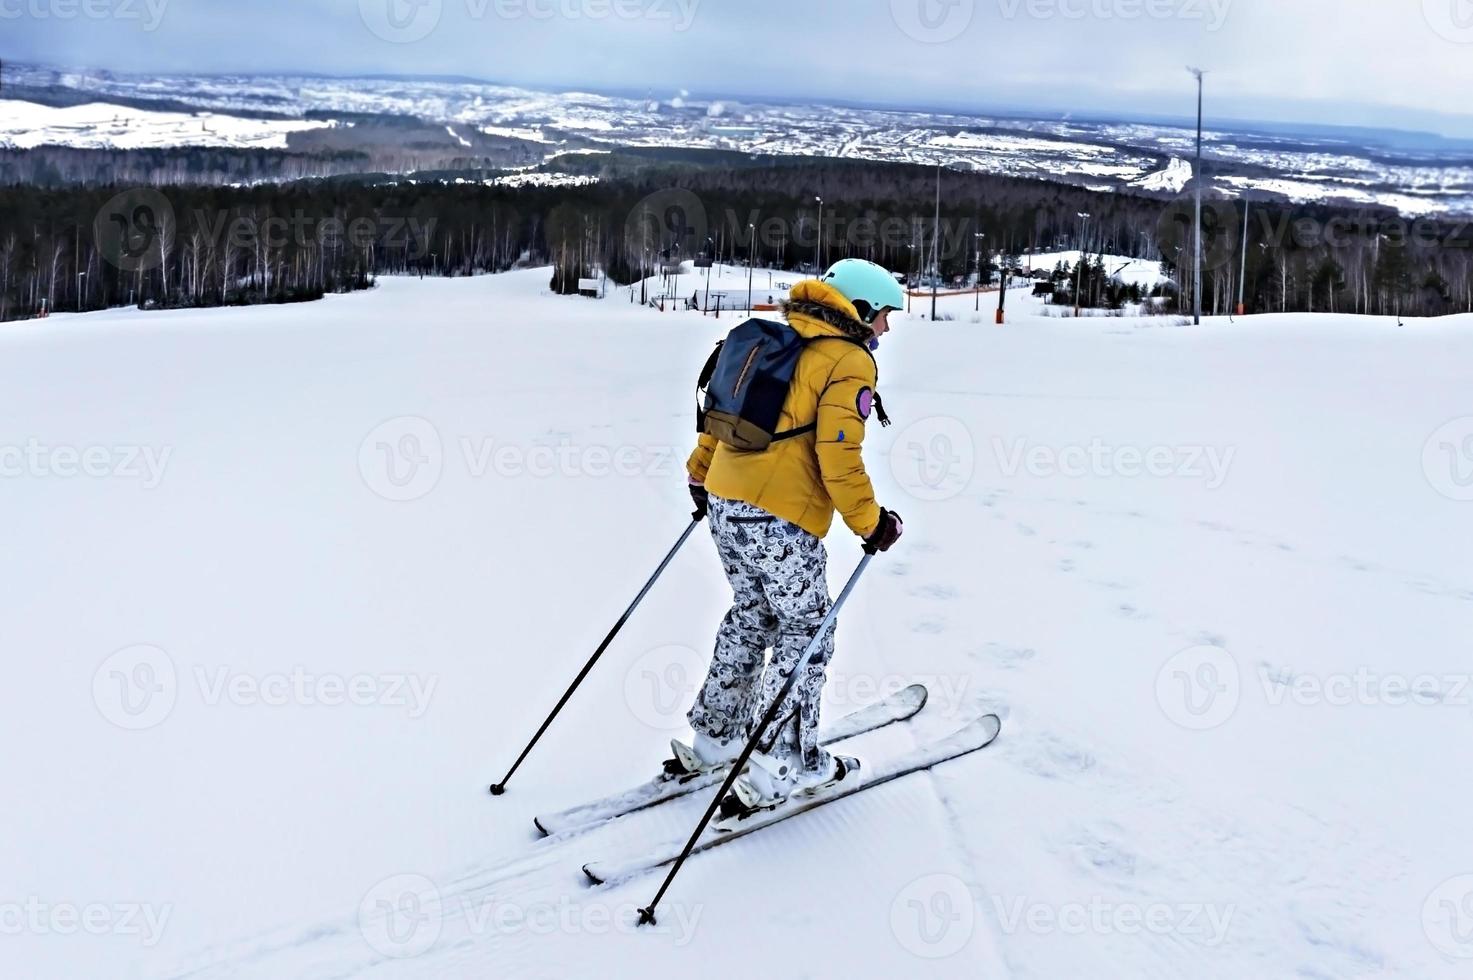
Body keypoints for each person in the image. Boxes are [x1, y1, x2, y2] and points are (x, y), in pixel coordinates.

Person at [669, 258, 906, 810]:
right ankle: (785, 762)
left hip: (727, 502)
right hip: (781, 516)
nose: (887, 330)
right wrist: (871, 523)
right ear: (861, 309)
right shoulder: (847, 360)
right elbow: (838, 456)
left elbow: (721, 417)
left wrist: (700, 472)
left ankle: (715, 739)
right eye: (885, 316)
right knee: (807, 630)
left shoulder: (779, 338)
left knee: (752, 613)